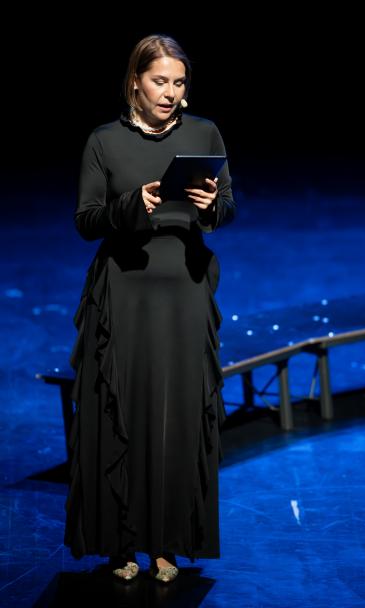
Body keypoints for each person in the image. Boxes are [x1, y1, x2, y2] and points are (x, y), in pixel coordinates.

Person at [64, 33, 236, 583]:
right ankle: (120, 543)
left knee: (177, 416)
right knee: (121, 412)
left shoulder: (203, 133)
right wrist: (129, 205)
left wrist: (210, 206)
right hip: (124, 293)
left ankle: (167, 542)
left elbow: (226, 207)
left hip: (185, 290)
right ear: (135, 82)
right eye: (159, 81)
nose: (170, 92)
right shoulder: (104, 141)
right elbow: (86, 220)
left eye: (178, 82)